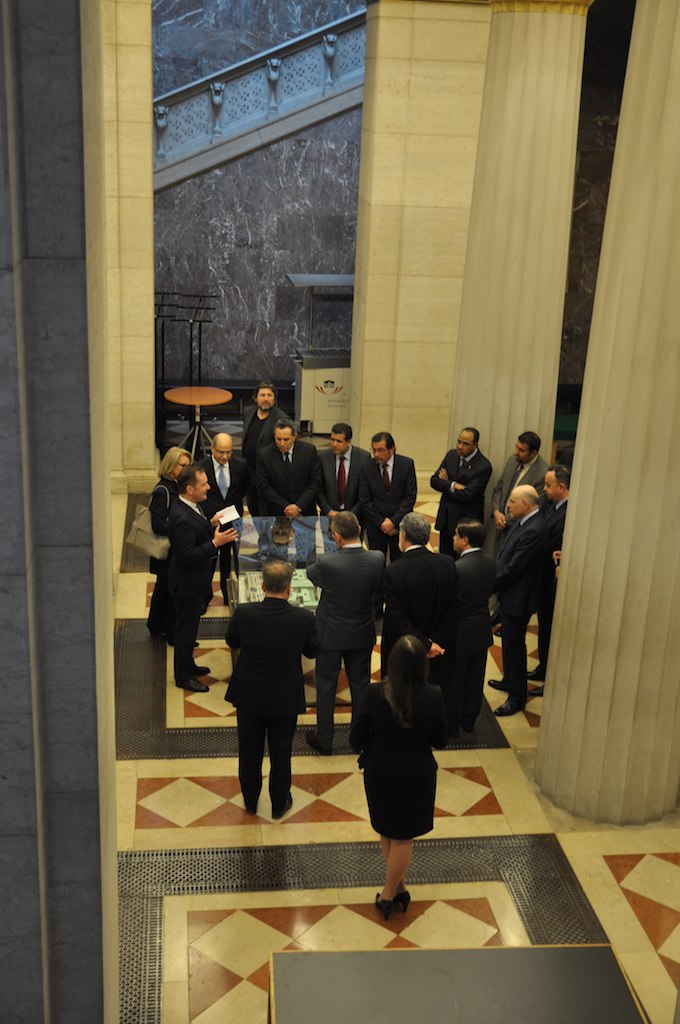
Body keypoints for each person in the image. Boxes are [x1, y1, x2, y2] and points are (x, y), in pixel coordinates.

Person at [350, 636, 447, 920]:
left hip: (381, 771)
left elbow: (356, 738)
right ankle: (399, 888)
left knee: (388, 831)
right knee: (402, 837)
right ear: (421, 666)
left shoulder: (372, 694)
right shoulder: (433, 695)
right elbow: (440, 740)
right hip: (417, 773)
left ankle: (389, 894)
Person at [226, 560, 320, 818]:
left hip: (249, 694)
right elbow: (313, 649)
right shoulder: (303, 618)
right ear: (289, 589)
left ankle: (251, 800)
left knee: (249, 752)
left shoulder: (244, 613)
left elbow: (231, 640)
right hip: (284, 696)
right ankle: (279, 803)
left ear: (263, 586)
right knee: (281, 752)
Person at [305, 511, 384, 755]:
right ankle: (359, 738)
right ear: (359, 529)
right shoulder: (377, 558)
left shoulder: (328, 563)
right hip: (361, 632)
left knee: (326, 686)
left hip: (330, 633)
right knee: (360, 685)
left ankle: (325, 738)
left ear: (336, 537)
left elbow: (311, 574)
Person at [167, 466, 237, 693]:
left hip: (195, 582)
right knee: (184, 633)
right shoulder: (181, 518)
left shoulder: (191, 507)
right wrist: (215, 543)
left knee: (190, 630)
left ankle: (189, 665)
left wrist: (210, 523)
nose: (208, 487)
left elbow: (196, 533)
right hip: (187, 584)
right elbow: (187, 556)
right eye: (204, 484)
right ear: (190, 489)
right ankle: (183, 676)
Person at [381, 513, 458, 716]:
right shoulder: (447, 563)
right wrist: (433, 643)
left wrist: (423, 644)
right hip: (438, 648)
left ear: (403, 536)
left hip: (404, 648)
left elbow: (396, 618)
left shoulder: (394, 571)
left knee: (402, 698)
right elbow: (453, 608)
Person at [488, 485, 547, 716]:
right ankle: (509, 680)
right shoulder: (524, 521)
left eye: (512, 502)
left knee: (515, 646)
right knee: (510, 645)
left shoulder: (534, 529)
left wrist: (488, 585)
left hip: (518, 597)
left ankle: (517, 696)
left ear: (526, 504)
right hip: (511, 594)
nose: (508, 506)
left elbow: (514, 569)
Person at [450, 520, 497, 733]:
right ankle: (470, 719)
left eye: (455, 535)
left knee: (457, 677)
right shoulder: (490, 563)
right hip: (481, 626)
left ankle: (454, 719)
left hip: (460, 629)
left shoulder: (457, 568)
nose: (453, 539)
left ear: (465, 540)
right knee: (476, 676)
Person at [528, 464, 570, 692]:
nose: (544, 490)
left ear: (561, 487)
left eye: (548, 485)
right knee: (543, 626)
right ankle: (543, 666)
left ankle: (550, 675)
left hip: (552, 581)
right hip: (542, 579)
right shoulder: (552, 507)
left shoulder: (568, 513)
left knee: (551, 628)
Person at [256, 419, 322, 563]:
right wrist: (286, 507)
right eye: (278, 439)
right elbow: (264, 486)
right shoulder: (264, 454)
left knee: (306, 555)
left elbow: (315, 482)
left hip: (304, 512)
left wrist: (298, 506)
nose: (281, 443)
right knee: (277, 557)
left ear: (295, 436)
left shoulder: (308, 451)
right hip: (276, 512)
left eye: (286, 439)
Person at [196, 432, 250, 602]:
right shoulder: (201, 467)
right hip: (209, 523)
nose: (225, 456)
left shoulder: (240, 465)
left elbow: (245, 489)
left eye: (228, 452)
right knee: (207, 562)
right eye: (220, 452)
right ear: (212, 449)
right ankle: (205, 599)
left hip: (233, 522)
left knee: (229, 561)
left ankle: (229, 596)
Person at [147, 446, 192, 642]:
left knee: (164, 590)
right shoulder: (163, 490)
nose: (186, 469)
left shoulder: (176, 486)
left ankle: (156, 626)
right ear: (171, 465)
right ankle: (168, 631)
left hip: (173, 551)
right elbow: (158, 524)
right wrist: (182, 527)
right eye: (183, 465)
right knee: (168, 591)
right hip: (166, 552)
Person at [430, 427, 492, 557]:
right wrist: (453, 485)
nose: (460, 446)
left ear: (476, 445)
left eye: (465, 444)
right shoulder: (452, 455)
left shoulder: (483, 466)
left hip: (465, 524)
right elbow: (434, 481)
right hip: (446, 520)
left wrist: (446, 484)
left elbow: (468, 495)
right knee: (445, 560)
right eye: (458, 441)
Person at [358, 431, 417, 563]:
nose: (376, 454)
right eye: (374, 450)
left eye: (381, 450)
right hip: (376, 527)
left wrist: (393, 522)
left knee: (399, 564)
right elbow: (364, 500)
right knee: (377, 565)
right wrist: (381, 523)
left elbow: (410, 497)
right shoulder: (367, 467)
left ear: (392, 449)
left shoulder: (406, 464)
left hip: (400, 526)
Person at [490, 431, 548, 552]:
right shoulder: (513, 460)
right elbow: (499, 488)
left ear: (534, 453)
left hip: (519, 531)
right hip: (500, 529)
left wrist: (505, 519)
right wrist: (496, 511)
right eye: (516, 447)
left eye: (521, 450)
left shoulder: (543, 473)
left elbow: (534, 507)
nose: (516, 452)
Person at [317, 422, 371, 536]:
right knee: (330, 550)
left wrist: (351, 514)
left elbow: (365, 491)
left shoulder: (364, 458)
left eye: (339, 441)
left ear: (349, 442)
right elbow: (318, 488)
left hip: (355, 516)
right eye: (332, 440)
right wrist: (328, 510)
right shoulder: (323, 457)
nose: (334, 444)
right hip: (330, 517)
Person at [241, 380, 285, 520]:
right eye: (262, 395)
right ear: (256, 398)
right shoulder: (248, 413)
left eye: (269, 395)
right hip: (249, 471)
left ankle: (270, 538)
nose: (266, 399)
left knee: (266, 510)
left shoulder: (281, 419)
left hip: (268, 475)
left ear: (274, 398)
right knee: (253, 506)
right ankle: (261, 535)